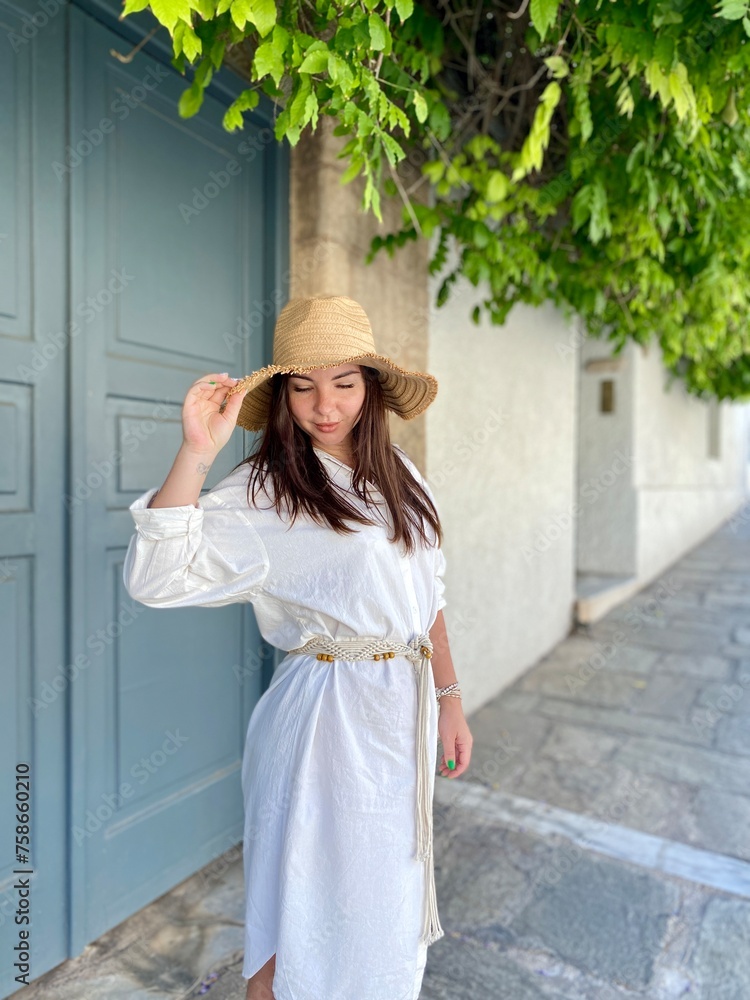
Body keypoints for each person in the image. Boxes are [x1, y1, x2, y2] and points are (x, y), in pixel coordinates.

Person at [122, 294, 473, 1000]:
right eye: (304, 386)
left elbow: (427, 596)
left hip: (398, 719)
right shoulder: (266, 489)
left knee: (382, 910)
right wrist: (196, 452)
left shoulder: (401, 476)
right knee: (298, 910)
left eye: (344, 383)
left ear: (370, 389)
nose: (325, 405)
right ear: (282, 395)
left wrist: (450, 697)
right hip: (322, 726)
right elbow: (155, 578)